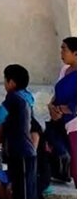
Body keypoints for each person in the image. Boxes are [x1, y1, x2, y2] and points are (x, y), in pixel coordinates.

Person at [0, 64, 38, 199]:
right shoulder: (27, 97)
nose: (4, 84)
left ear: (11, 83)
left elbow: (0, 116)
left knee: (23, 192)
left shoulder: (12, 97)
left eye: (5, 80)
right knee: (24, 190)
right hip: (25, 153)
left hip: (21, 153)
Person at [47, 37, 77, 184]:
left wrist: (60, 110)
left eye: (64, 49)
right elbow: (57, 92)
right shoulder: (65, 70)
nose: (61, 52)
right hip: (57, 119)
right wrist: (51, 106)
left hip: (73, 124)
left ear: (76, 53)